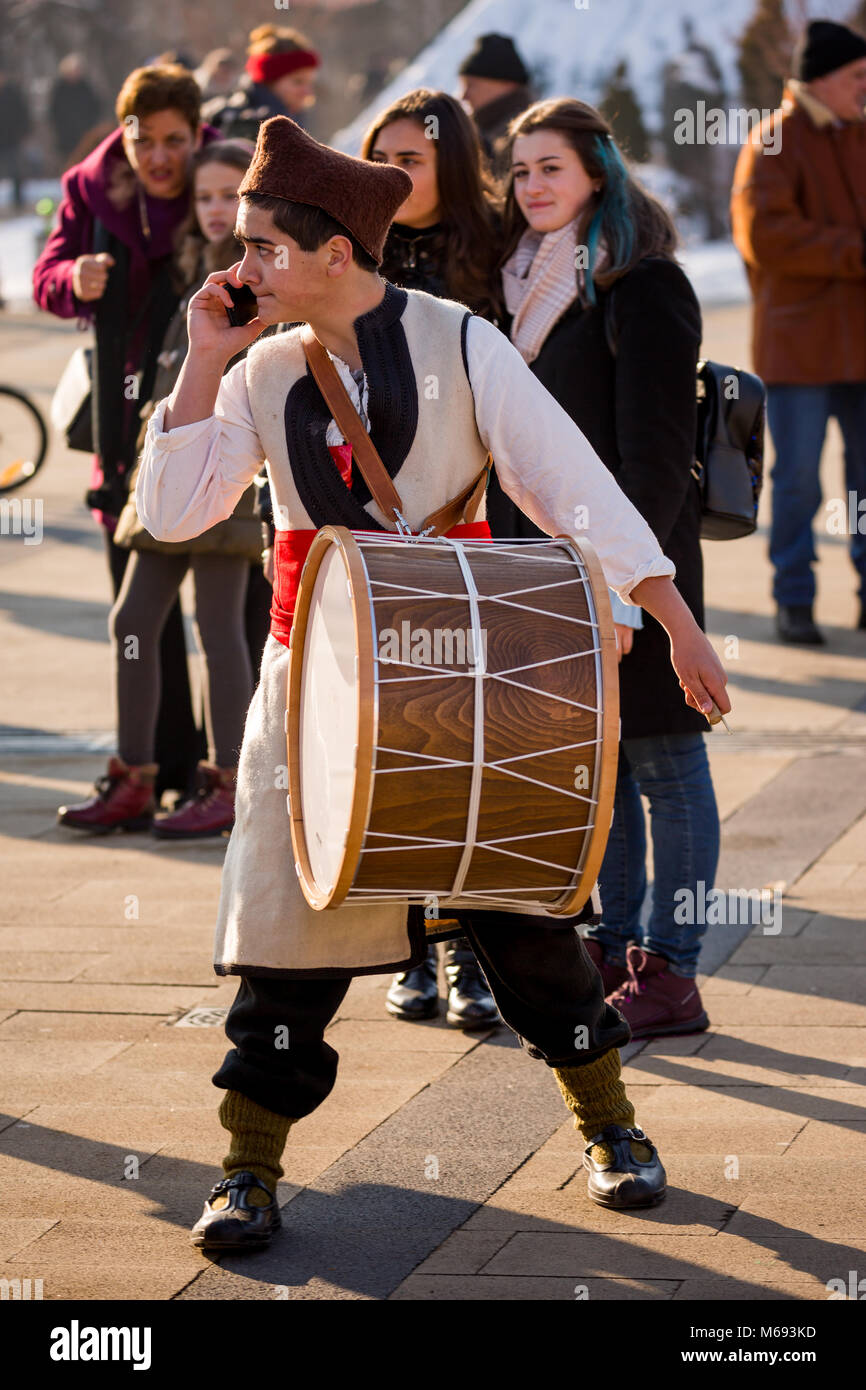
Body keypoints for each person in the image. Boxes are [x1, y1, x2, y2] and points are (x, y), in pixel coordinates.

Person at [135, 115, 729, 1250]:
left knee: (524, 922)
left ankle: (610, 1129)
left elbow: (569, 482)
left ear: (335, 254)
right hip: (309, 680)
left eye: (262, 246)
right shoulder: (259, 365)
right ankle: (247, 1169)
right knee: (286, 947)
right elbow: (174, 511)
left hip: (457, 674)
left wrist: (670, 616)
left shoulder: (462, 343)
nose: (238, 264)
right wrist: (202, 356)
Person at [494, 97, 720, 1038]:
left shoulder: (642, 285)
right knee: (608, 767)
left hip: (637, 567)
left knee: (668, 767)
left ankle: (673, 970)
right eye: (519, 171)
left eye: (551, 167)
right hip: (559, 573)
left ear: (597, 173)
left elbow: (660, 457)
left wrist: (632, 586)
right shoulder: (522, 288)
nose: (532, 186)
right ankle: (613, 941)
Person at [63, 141, 263, 837]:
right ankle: (136, 778)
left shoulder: (258, 274)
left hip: (226, 466)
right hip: (167, 456)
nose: (215, 210)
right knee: (133, 620)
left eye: (229, 197)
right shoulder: (187, 267)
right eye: (204, 197)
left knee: (218, 626)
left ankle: (233, 781)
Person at [34, 65, 219, 807]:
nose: (160, 157)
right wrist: (70, 279)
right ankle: (156, 769)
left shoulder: (224, 173)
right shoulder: (89, 187)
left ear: (196, 133)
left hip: (211, 423)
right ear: (125, 133)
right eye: (144, 140)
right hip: (123, 427)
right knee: (140, 612)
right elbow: (46, 273)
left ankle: (224, 774)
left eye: (175, 140)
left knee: (228, 615)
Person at [361, 88, 504, 1028]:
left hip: (469, 527)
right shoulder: (351, 247)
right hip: (372, 527)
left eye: (410, 159)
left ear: (449, 163)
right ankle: (407, 942)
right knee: (394, 740)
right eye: (380, 157)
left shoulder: (494, 250)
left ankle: (469, 956)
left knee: (467, 741)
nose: (391, 175)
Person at [731, 19, 866, 645]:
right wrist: (854, 252)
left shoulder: (861, 136)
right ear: (825, 80)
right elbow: (766, 239)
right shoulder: (773, 141)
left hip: (861, 347)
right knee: (799, 481)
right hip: (798, 351)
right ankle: (794, 598)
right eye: (858, 77)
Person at [203, 25, 320, 142]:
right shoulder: (244, 123)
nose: (307, 92)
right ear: (269, 81)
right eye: (298, 82)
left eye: (310, 83)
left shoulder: (292, 119)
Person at [458, 33, 533, 180]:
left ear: (507, 84)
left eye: (472, 85)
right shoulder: (477, 131)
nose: (464, 96)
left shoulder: (525, 136)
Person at [48, 55, 103, 170]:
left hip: (85, 134)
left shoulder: (86, 88)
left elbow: (96, 108)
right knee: (69, 164)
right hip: (66, 136)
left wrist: (92, 126)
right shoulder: (59, 89)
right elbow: (53, 112)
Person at [0, 65, 31, 209]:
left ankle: (18, 201)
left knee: (16, 170)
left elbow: (23, 113)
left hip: (12, 138)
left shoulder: (13, 93)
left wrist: (23, 131)